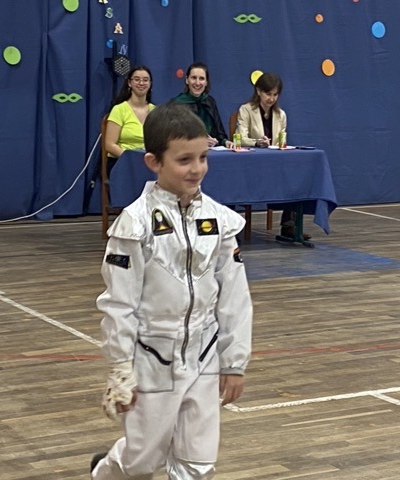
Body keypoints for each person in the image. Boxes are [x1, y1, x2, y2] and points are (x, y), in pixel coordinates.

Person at [91, 102, 253, 480]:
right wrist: (121, 368)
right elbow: (119, 304)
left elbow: (235, 297)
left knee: (198, 463)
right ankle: (105, 471)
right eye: (184, 160)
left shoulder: (220, 220)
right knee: (141, 462)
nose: (196, 168)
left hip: (204, 355)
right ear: (154, 162)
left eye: (202, 158)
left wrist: (234, 362)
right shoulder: (134, 225)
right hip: (153, 359)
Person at [236, 73, 309, 241]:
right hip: (252, 165)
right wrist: (257, 142)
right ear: (258, 91)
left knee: (295, 177)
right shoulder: (246, 110)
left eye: (275, 94)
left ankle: (289, 226)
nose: (271, 98)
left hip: (274, 164)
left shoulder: (281, 115)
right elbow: (239, 138)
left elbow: (280, 141)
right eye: (268, 94)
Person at [104, 65, 155, 176]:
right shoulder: (119, 109)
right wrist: (133, 160)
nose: (141, 83)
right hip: (122, 163)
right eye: (136, 79)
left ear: (150, 84)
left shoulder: (155, 111)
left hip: (149, 163)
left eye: (145, 80)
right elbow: (109, 145)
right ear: (129, 83)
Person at [173, 62, 233, 149]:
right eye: (194, 78)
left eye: (201, 78)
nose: (197, 83)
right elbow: (173, 139)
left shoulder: (210, 102)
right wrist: (199, 142)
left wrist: (225, 142)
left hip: (211, 152)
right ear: (187, 80)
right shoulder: (176, 104)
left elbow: (219, 133)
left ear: (206, 82)